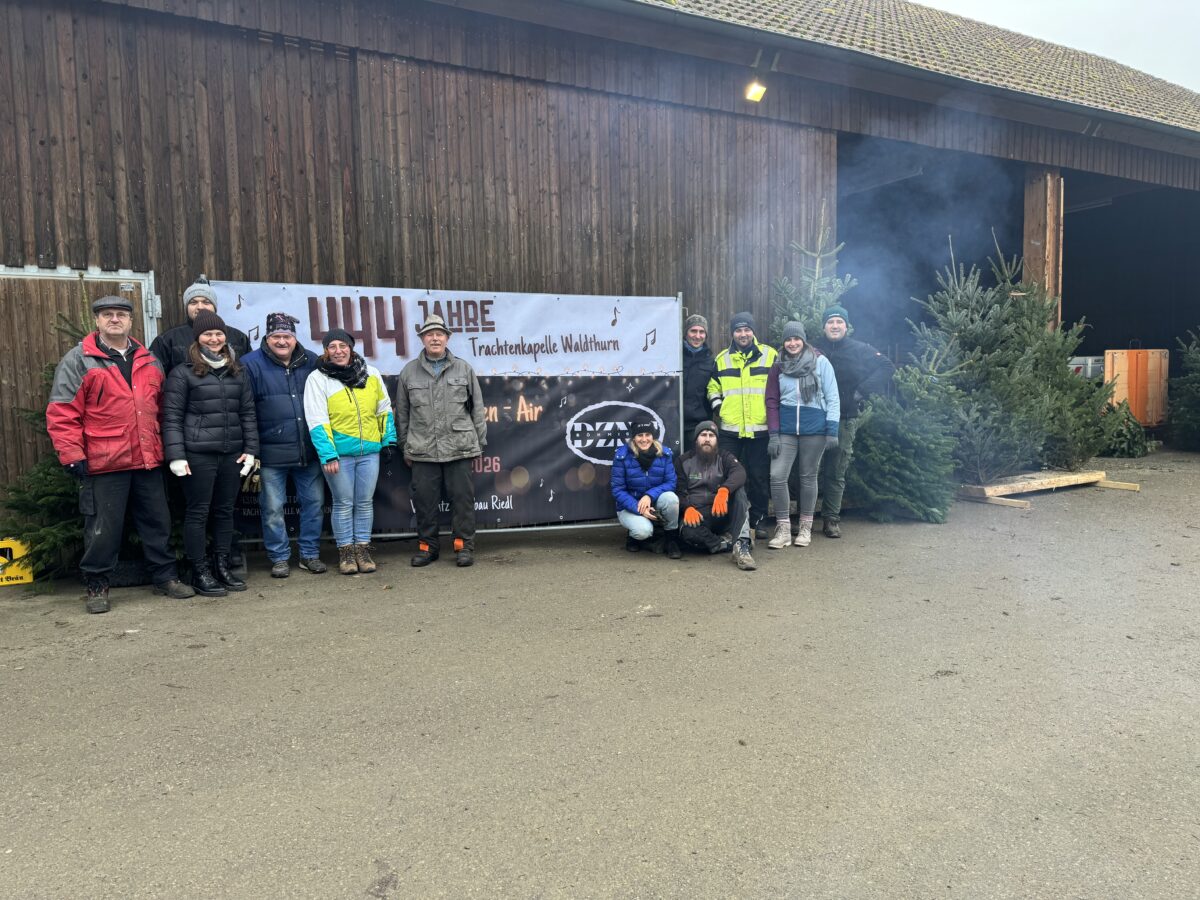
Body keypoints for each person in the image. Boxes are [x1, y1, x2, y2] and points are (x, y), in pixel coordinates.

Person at [46, 296, 194, 613]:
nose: (115, 319)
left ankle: (165, 577)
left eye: (121, 315)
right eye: (108, 315)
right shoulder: (79, 360)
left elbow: (164, 409)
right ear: (97, 321)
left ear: (130, 322)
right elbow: (62, 412)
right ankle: (97, 585)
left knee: (158, 523)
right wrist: (71, 453)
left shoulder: (150, 360)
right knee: (103, 529)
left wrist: (171, 449)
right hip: (104, 461)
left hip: (148, 457)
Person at [162, 311, 259, 596]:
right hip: (198, 455)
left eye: (219, 334)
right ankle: (200, 570)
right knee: (198, 513)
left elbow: (248, 413)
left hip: (232, 454)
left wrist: (251, 450)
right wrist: (176, 455)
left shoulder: (237, 371)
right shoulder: (183, 372)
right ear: (198, 338)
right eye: (208, 334)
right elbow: (171, 417)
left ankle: (222, 565)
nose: (214, 339)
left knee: (226, 512)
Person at [395, 314, 488, 568]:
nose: (434, 338)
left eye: (439, 334)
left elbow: (476, 409)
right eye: (429, 334)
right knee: (425, 503)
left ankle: (463, 547)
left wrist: (479, 443)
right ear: (422, 339)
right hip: (422, 450)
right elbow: (401, 414)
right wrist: (406, 446)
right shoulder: (409, 372)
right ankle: (428, 548)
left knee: (463, 501)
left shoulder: (464, 368)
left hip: (460, 447)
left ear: (447, 338)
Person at [303, 329, 397, 575]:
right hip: (339, 454)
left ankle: (362, 551)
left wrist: (388, 440)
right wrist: (328, 454)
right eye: (332, 346)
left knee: (364, 503)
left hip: (369, 452)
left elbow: (384, 409)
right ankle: (346, 553)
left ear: (351, 348)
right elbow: (316, 420)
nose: (338, 350)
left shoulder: (371, 374)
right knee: (343, 503)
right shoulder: (317, 378)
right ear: (326, 351)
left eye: (342, 345)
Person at [242, 312, 327, 578]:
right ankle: (279, 557)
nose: (282, 341)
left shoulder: (311, 361)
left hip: (308, 450)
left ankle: (309, 555)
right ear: (266, 338)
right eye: (276, 336)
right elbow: (245, 410)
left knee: (314, 504)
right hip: (269, 453)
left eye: (286, 336)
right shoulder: (250, 364)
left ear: (294, 337)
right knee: (272, 508)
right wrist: (252, 448)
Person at [814, 304, 895, 538]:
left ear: (847, 326)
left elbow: (886, 366)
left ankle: (831, 519)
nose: (835, 326)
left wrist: (862, 391)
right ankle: (805, 518)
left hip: (845, 418)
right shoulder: (813, 348)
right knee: (808, 472)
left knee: (836, 470)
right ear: (824, 326)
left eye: (839, 322)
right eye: (831, 322)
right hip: (814, 419)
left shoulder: (860, 349)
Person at [765, 321, 840, 549]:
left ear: (803, 340)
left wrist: (832, 430)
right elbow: (771, 400)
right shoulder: (778, 364)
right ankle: (783, 528)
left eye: (796, 338)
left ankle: (806, 526)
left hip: (814, 429)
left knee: (808, 477)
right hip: (786, 430)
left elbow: (833, 396)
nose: (792, 343)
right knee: (777, 477)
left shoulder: (821, 362)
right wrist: (773, 434)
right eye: (788, 339)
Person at [706, 311, 777, 539]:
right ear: (732, 333)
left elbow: (780, 387)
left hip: (760, 428)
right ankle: (727, 520)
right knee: (727, 475)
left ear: (753, 332)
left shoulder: (770, 355)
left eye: (747, 329)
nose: (743, 334)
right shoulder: (722, 358)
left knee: (758, 476)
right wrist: (720, 408)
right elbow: (712, 387)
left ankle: (759, 520)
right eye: (738, 330)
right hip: (730, 430)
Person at [675, 421, 756, 570]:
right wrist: (686, 508)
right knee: (688, 532)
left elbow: (740, 473)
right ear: (696, 440)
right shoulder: (683, 461)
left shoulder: (724, 457)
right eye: (703, 435)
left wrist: (724, 490)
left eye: (711, 435)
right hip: (698, 515)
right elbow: (678, 490)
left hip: (721, 512)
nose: (707, 439)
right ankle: (724, 543)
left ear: (716, 440)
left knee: (739, 492)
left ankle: (742, 544)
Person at [150, 274, 252, 373]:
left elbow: (249, 373)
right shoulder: (167, 340)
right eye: (193, 302)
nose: (200, 307)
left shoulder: (239, 338)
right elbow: (153, 376)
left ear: (214, 306)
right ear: (186, 308)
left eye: (206, 302)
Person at [610, 419, 681, 558]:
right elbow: (617, 490)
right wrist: (639, 508)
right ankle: (633, 537)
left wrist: (649, 496)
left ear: (653, 436)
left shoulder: (664, 454)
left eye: (647, 435)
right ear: (634, 437)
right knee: (643, 531)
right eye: (639, 435)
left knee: (671, 499)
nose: (644, 439)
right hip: (630, 507)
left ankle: (671, 539)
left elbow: (671, 482)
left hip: (654, 501)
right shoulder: (621, 456)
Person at [681, 314, 717, 441]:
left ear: (706, 335)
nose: (697, 336)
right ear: (686, 333)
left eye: (701, 332)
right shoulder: (674, 356)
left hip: (698, 424)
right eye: (693, 331)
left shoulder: (711, 361)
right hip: (672, 421)